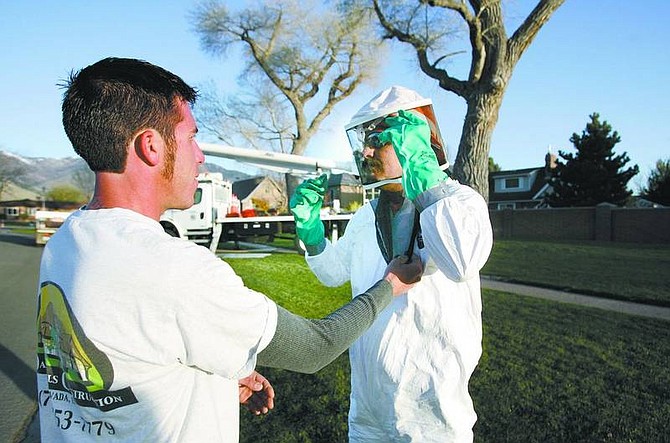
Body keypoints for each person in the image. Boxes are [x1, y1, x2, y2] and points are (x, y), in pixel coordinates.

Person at [36, 58, 424, 443]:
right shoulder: (175, 270)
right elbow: (314, 347)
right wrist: (389, 285)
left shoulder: (65, 243)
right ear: (151, 146)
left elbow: (127, 347)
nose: (200, 155)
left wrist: (224, 372)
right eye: (191, 137)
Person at [290, 86, 493, 442]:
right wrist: (311, 232)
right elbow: (332, 273)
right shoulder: (366, 216)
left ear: (414, 138)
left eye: (380, 139)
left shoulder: (461, 202)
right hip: (369, 413)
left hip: (433, 418)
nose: (366, 151)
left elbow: (461, 261)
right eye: (366, 140)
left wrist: (424, 174)